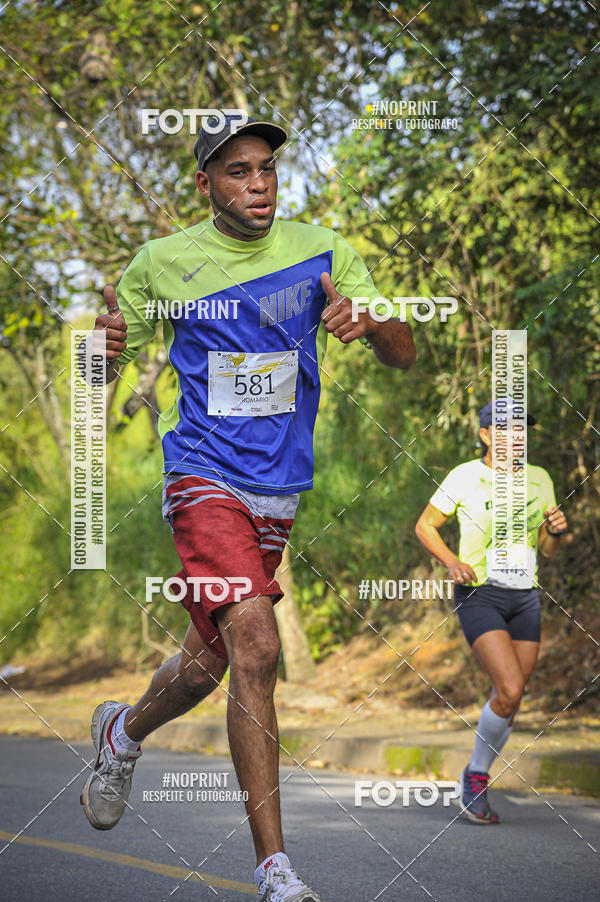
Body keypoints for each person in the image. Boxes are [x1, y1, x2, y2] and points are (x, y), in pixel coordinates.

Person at [80, 114, 416, 900]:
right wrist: (101, 351)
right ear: (205, 184)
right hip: (201, 476)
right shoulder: (161, 263)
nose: (259, 184)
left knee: (211, 664)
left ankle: (122, 731)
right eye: (238, 171)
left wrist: (371, 325)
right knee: (258, 647)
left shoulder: (323, 250)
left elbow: (404, 353)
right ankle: (276, 871)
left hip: (279, 487)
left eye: (267, 168)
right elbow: (96, 377)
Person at [415, 399, 567, 824]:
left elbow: (549, 550)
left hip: (525, 596)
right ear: (485, 435)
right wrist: (451, 562)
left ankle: (474, 773)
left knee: (510, 700)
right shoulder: (465, 476)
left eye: (521, 429)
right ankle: (477, 777)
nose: (516, 437)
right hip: (479, 593)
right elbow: (425, 525)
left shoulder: (540, 478)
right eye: (505, 429)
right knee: (511, 689)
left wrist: (557, 533)